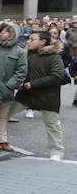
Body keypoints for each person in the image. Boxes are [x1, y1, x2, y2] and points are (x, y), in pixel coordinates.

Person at [10, 31, 68, 161]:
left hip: (48, 96)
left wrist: (33, 84)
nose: (29, 41)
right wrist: (21, 83)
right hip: (26, 95)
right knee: (4, 115)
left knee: (52, 125)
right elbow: (23, 72)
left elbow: (58, 75)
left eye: (32, 39)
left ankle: (57, 152)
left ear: (42, 42)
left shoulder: (54, 56)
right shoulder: (27, 54)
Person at [0, 21, 27, 152]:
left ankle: (3, 139)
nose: (3, 33)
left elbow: (21, 71)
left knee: (4, 116)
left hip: (8, 89)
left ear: (12, 34)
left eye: (6, 31)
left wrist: (9, 85)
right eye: (1, 31)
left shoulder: (19, 51)